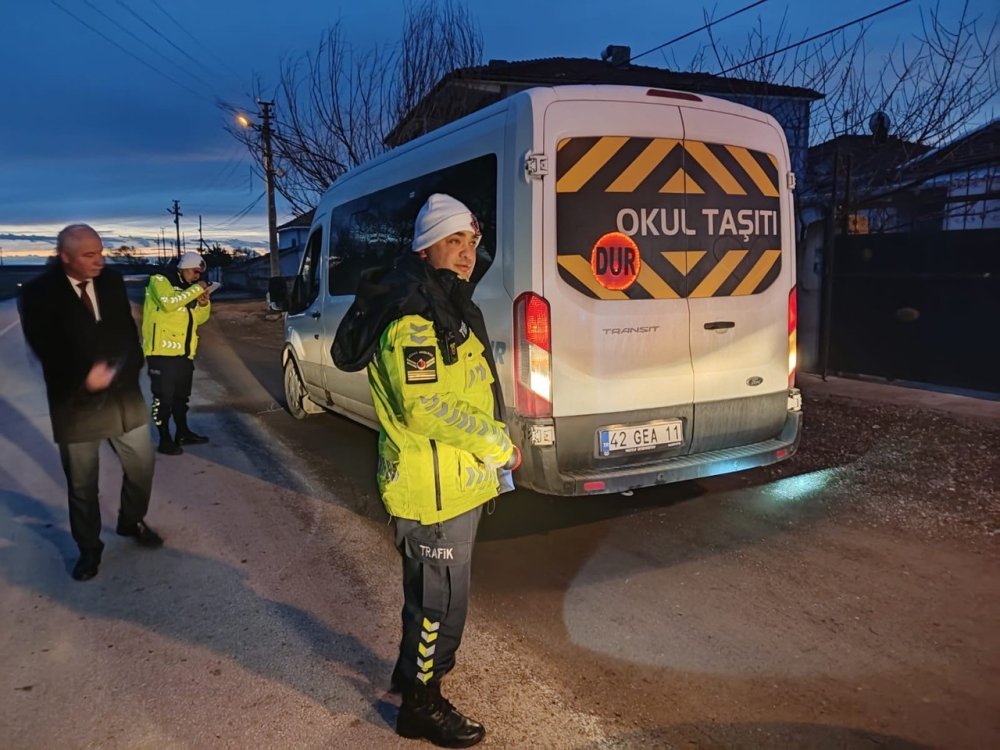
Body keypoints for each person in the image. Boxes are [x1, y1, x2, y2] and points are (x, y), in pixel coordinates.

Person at [333, 194, 520, 748]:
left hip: (453, 482)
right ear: (424, 247)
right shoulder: (414, 316)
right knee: (439, 605)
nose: (465, 253)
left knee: (432, 598)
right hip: (432, 490)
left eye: (470, 242)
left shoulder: (443, 302)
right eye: (452, 241)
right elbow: (425, 406)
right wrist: (498, 444)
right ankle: (421, 705)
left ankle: (408, 672)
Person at [18, 224, 163, 582]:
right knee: (83, 484)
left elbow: (129, 333)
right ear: (65, 257)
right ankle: (89, 549)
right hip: (75, 403)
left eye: (100, 251)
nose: (100, 260)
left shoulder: (111, 280)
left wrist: (131, 367)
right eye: (89, 255)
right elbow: (44, 348)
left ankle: (130, 522)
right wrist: (84, 377)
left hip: (123, 395)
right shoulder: (39, 293)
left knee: (142, 466)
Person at [141, 251, 213, 455]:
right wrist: (195, 290)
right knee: (163, 399)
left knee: (182, 398)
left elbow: (199, 320)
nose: (197, 277)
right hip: (161, 353)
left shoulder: (188, 290)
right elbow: (168, 303)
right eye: (194, 272)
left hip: (184, 353)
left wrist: (203, 303)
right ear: (183, 268)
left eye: (200, 274)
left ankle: (182, 432)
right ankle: (164, 439)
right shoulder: (160, 281)